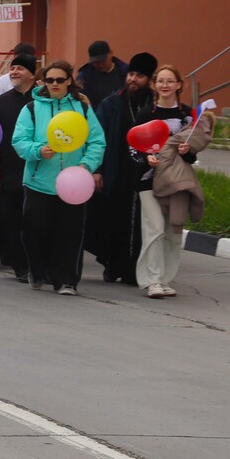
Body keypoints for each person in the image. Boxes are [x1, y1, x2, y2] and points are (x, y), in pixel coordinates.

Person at [11, 61, 107, 296]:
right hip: (39, 181)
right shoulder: (32, 109)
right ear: (43, 82)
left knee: (70, 233)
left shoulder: (82, 109)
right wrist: (37, 150)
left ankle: (67, 280)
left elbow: (96, 141)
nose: (55, 84)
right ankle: (38, 269)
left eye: (60, 80)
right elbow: (19, 140)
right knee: (35, 231)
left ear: (69, 82)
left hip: (74, 184)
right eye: (50, 80)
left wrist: (86, 165)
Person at [134, 65, 205, 298]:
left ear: (178, 85)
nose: (165, 85)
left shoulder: (187, 115)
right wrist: (147, 158)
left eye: (169, 81)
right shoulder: (146, 114)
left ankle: (166, 279)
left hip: (177, 182)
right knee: (154, 229)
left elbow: (193, 153)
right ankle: (152, 280)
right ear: (154, 85)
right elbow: (133, 147)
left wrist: (187, 150)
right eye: (160, 81)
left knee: (172, 231)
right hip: (149, 180)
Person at [87, 52, 157, 285]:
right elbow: (97, 138)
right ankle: (112, 264)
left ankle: (135, 269)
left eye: (139, 76)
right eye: (131, 74)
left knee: (139, 225)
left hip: (144, 173)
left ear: (149, 79)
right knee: (112, 221)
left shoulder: (154, 107)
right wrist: (97, 169)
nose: (133, 79)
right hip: (115, 171)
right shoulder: (112, 103)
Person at [0, 52, 39, 281]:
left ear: (32, 73)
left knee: (35, 222)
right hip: (9, 173)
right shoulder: (0, 103)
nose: (14, 72)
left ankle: (36, 264)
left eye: (20, 68)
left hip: (38, 173)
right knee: (11, 222)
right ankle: (20, 266)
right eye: (12, 68)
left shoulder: (42, 102)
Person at [76, 40, 128, 110]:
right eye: (96, 62)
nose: (100, 65)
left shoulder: (125, 72)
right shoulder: (84, 76)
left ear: (111, 53)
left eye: (103, 61)